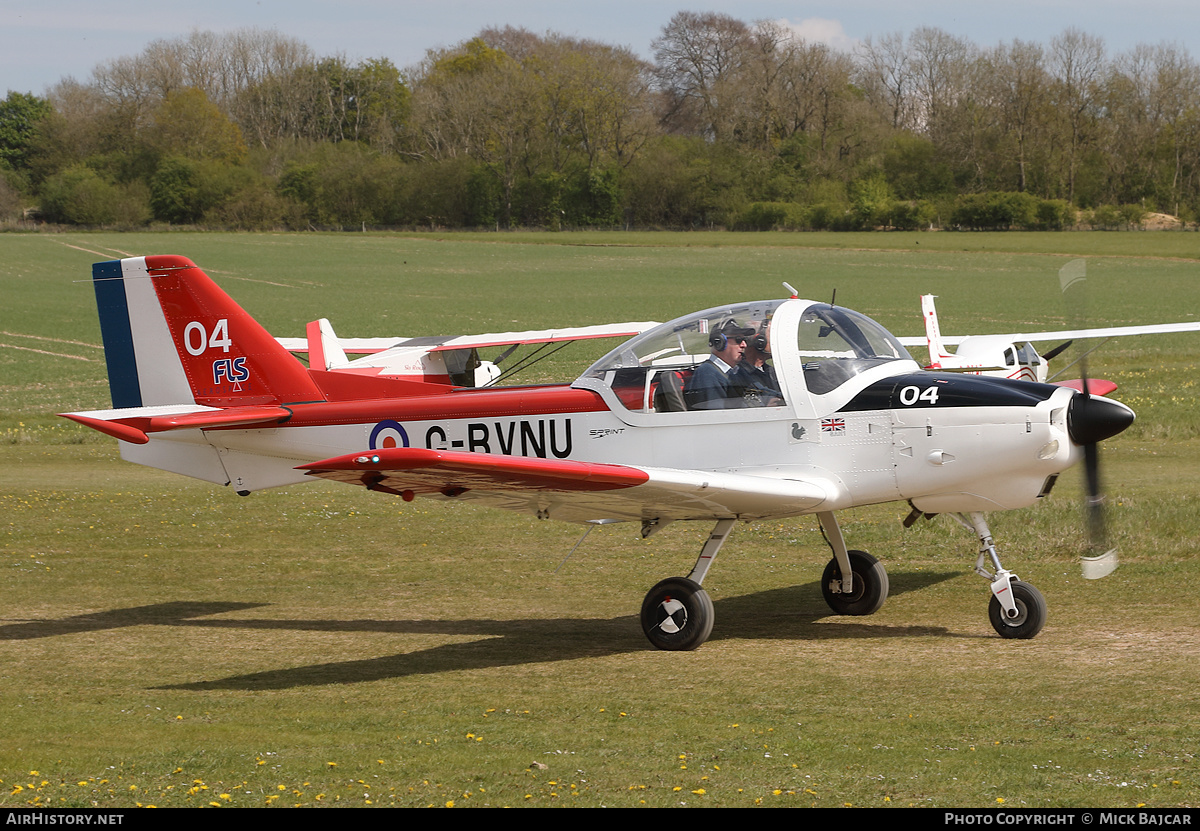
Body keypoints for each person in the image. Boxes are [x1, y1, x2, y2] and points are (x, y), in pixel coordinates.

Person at [684, 319, 755, 409]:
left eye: (744, 340)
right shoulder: (707, 374)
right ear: (719, 342)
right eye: (738, 340)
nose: (744, 345)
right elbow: (716, 416)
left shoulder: (737, 371)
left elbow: (763, 391)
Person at [733, 323, 784, 406]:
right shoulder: (738, 374)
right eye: (773, 337)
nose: (778, 342)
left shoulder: (772, 372)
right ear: (760, 342)